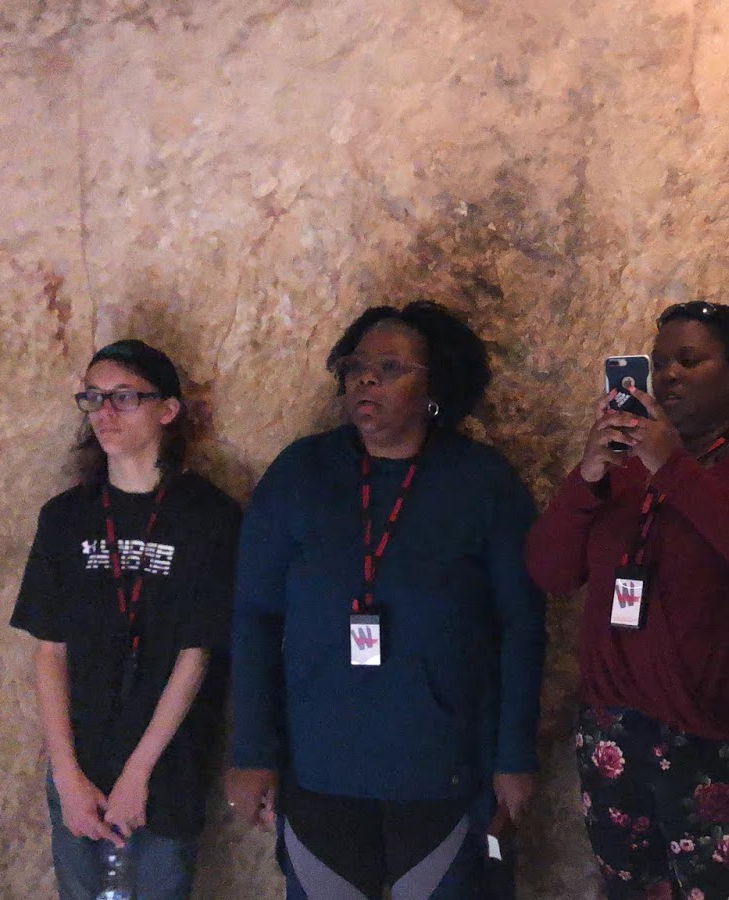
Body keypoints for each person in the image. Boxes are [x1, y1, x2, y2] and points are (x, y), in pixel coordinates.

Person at [225, 301, 546, 899]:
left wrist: (514, 757)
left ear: (435, 388)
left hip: (443, 772)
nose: (366, 379)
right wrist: (251, 752)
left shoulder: (482, 483)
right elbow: (254, 618)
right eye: (356, 366)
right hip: (319, 768)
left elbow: (522, 626)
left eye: (391, 367)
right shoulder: (301, 473)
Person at [526, 301, 729, 900]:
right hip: (615, 732)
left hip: (721, 737)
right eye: (660, 362)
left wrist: (671, 465)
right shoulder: (621, 470)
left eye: (690, 361)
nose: (668, 376)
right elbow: (550, 572)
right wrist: (587, 476)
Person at [12, 339, 241, 900]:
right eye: (93, 398)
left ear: (168, 410)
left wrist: (139, 773)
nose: (105, 413)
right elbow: (49, 651)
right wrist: (66, 775)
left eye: (124, 397)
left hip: (168, 759)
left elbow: (196, 654)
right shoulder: (65, 517)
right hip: (81, 762)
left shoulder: (209, 516)